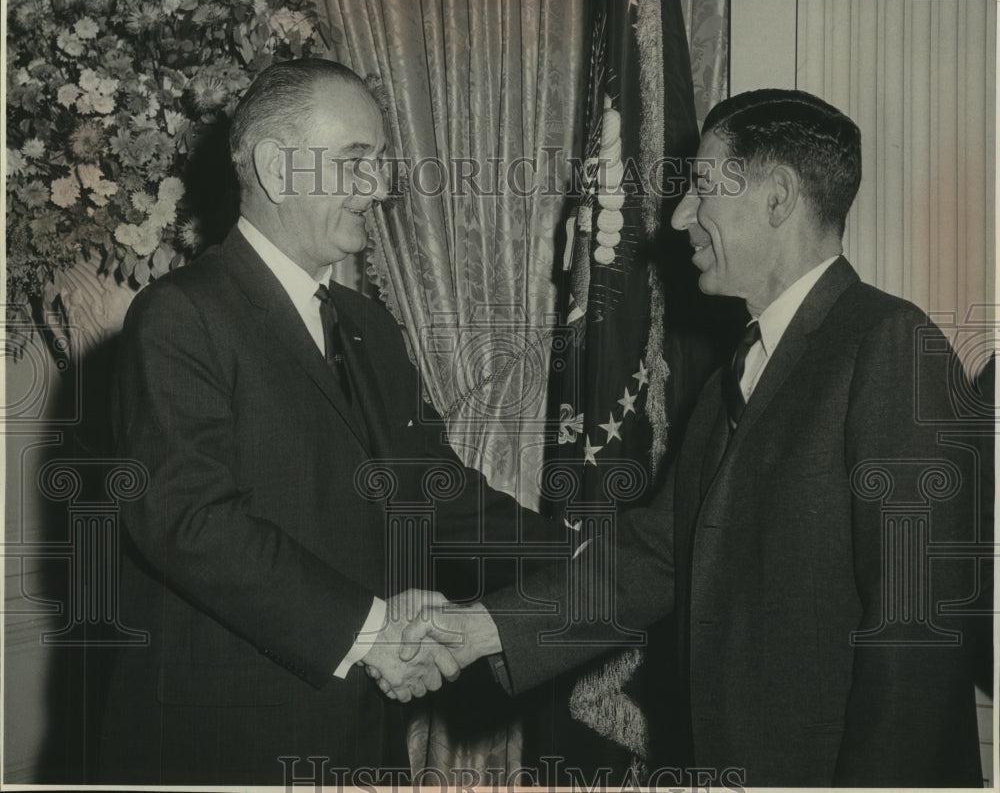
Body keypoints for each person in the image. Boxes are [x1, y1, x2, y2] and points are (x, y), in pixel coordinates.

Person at [393, 89, 984, 786]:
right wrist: (481, 630)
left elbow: (915, 631)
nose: (680, 218)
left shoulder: (888, 343)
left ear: (777, 198)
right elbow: (656, 557)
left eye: (701, 188)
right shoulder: (736, 374)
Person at [101, 58, 560, 785]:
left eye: (380, 164)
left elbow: (435, 491)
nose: (378, 189)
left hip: (355, 730)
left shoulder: (367, 324)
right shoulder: (182, 315)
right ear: (279, 170)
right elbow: (188, 521)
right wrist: (374, 632)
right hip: (218, 744)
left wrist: (591, 561)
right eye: (355, 162)